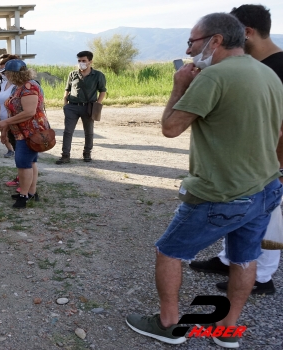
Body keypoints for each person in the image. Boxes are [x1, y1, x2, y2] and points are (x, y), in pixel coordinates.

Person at [125, 13, 283, 349]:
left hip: (221, 191)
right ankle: (227, 329)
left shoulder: (214, 77)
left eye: (192, 42)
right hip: (265, 187)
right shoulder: (268, 74)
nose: (189, 49)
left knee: (169, 252)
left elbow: (170, 128)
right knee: (244, 258)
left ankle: (168, 324)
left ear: (215, 40)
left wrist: (179, 85)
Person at [189, 4, 283, 296]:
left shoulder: (276, 68)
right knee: (240, 214)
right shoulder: (254, 66)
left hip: (270, 166)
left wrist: (276, 169)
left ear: (246, 32)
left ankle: (262, 277)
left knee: (266, 221)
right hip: (246, 166)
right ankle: (229, 259)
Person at [0, 59, 50, 208]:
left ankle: (24, 195)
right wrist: (5, 131)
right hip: (21, 132)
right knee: (30, 162)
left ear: (13, 74)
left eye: (7, 73)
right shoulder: (18, 87)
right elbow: (13, 110)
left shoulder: (29, 87)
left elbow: (29, 112)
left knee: (23, 163)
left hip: (30, 132)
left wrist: (6, 123)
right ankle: (31, 192)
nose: (6, 76)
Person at [56, 51, 107, 164]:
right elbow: (67, 89)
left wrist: (97, 105)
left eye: (84, 61)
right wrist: (65, 104)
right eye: (79, 61)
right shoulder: (72, 74)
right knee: (68, 131)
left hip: (88, 107)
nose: (81, 63)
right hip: (72, 107)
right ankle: (65, 155)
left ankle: (87, 153)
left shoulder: (98, 75)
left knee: (88, 132)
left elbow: (102, 91)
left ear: (90, 61)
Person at [0, 54, 19, 158]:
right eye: (1, 71)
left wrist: (5, 126)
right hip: (6, 124)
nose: (2, 73)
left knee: (25, 160)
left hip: (17, 126)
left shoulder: (19, 86)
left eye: (4, 71)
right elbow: (1, 104)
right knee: (20, 161)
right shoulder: (4, 84)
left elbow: (15, 110)